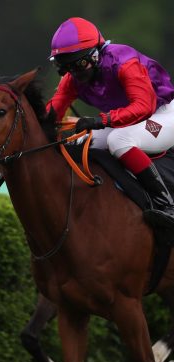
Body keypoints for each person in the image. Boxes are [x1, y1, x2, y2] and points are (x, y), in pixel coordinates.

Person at [46, 17, 174, 232]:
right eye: (67, 68)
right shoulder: (73, 78)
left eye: (80, 64)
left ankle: (167, 205)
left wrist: (101, 120)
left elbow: (144, 106)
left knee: (119, 140)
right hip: (129, 121)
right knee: (83, 141)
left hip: (162, 114)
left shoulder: (123, 61)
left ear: (96, 53)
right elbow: (50, 115)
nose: (76, 73)